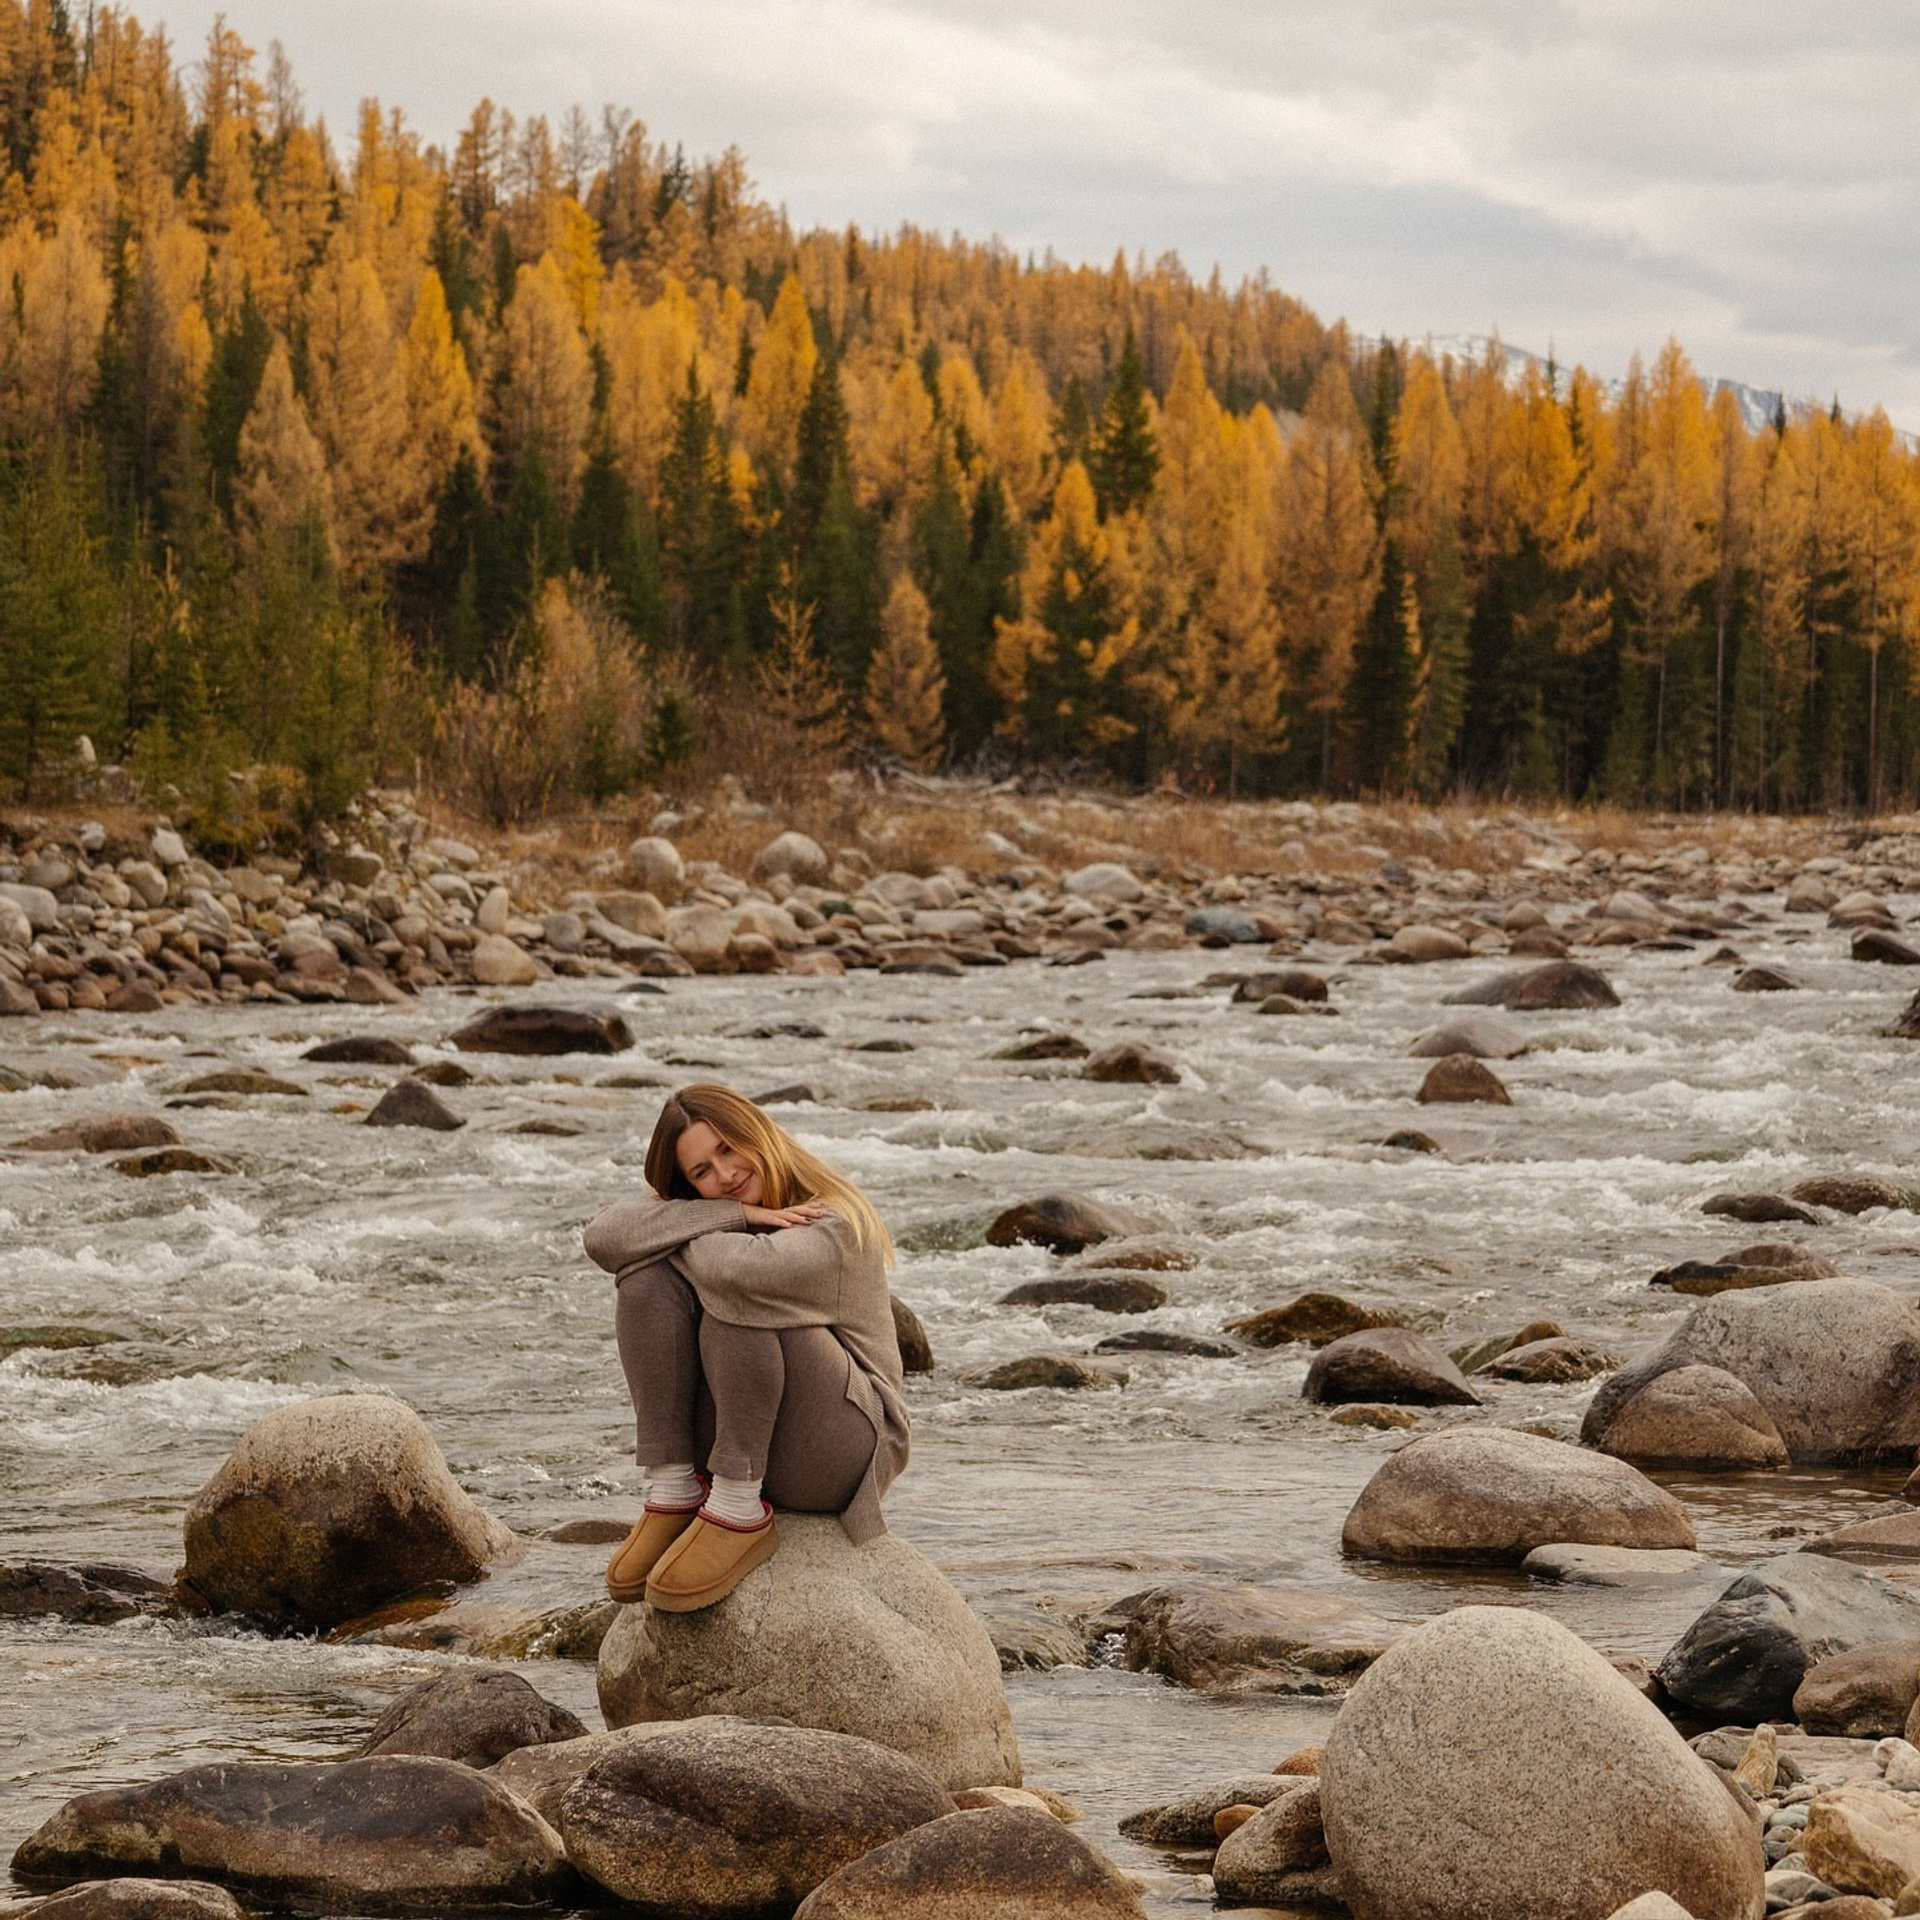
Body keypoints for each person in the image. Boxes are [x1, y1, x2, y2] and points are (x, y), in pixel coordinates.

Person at [583, 1084, 910, 1612]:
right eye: (701, 1174)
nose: (726, 1175)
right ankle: (675, 1490)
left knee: (735, 1293)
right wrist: (731, 1215)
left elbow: (735, 1270)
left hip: (843, 1449)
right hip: (758, 1429)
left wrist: (675, 1229)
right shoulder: (726, 1212)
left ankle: (738, 1508)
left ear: (756, 1132)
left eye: (729, 1148)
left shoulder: (833, 1219)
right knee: (645, 1282)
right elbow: (602, 1235)